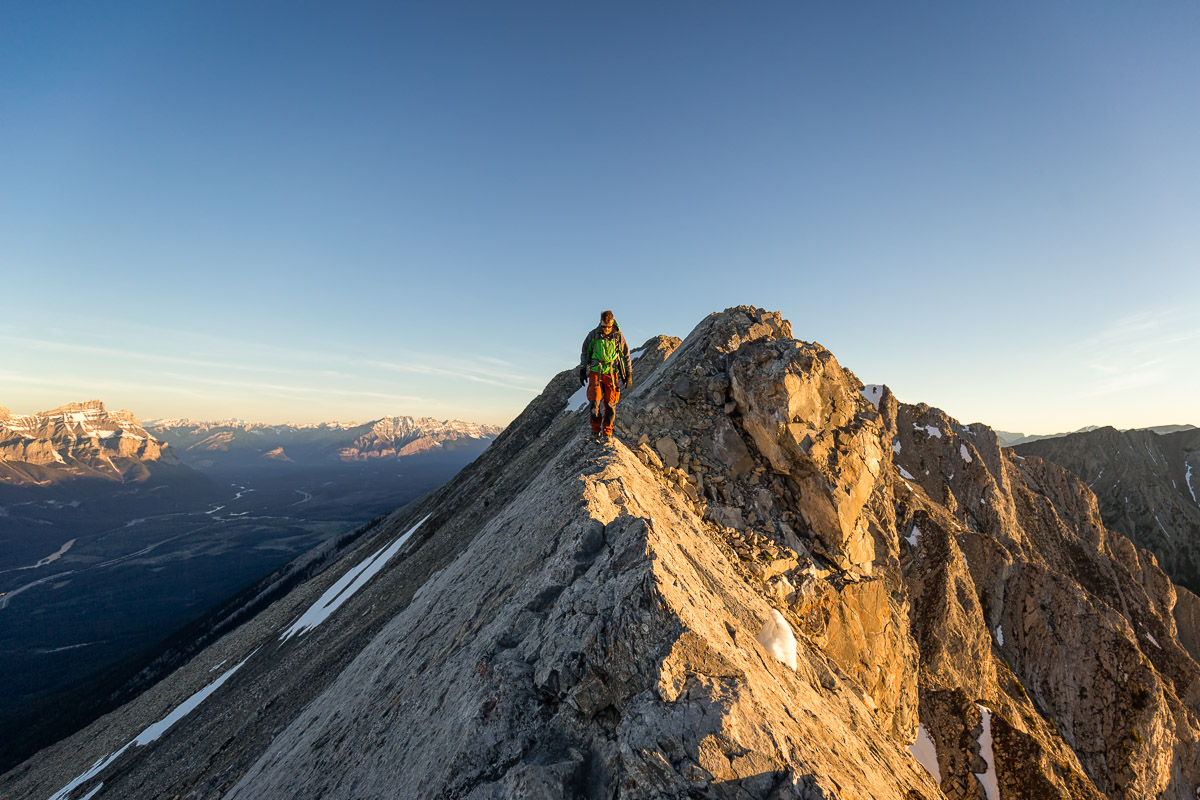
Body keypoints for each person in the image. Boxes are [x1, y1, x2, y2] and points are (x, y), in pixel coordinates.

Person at [579, 310, 631, 440]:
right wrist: (582, 369)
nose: (607, 329)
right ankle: (595, 430)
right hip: (596, 372)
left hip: (611, 373)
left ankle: (607, 432)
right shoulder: (593, 335)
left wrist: (628, 373)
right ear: (600, 322)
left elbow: (625, 354)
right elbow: (585, 352)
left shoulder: (618, 336)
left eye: (609, 327)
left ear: (612, 322)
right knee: (594, 402)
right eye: (604, 327)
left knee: (610, 403)